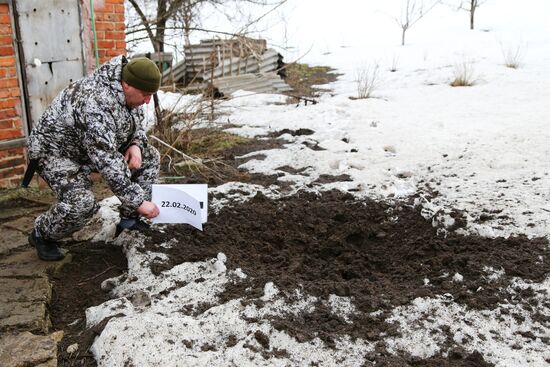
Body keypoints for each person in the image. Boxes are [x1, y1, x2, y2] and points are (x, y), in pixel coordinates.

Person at [24, 56, 162, 261]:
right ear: (126, 84)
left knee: (150, 157)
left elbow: (137, 126)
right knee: (82, 204)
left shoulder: (132, 93)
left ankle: (129, 221)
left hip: (86, 148)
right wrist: (139, 201)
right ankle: (42, 234)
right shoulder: (94, 102)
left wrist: (136, 145)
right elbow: (106, 159)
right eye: (145, 94)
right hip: (56, 153)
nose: (148, 100)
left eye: (151, 94)